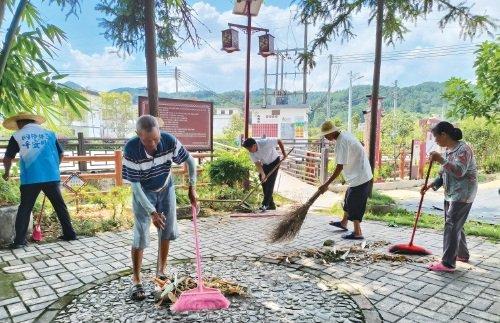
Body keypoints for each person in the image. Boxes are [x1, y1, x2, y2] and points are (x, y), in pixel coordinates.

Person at [123, 115, 197, 301]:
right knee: (140, 234)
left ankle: (161, 272)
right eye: (148, 141)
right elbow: (136, 188)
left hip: (166, 187)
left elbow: (190, 161)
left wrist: (192, 187)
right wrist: (152, 212)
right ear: (138, 135)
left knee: (167, 230)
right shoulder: (131, 149)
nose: (154, 145)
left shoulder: (169, 140)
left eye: (156, 139)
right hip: (143, 191)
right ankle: (136, 280)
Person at [2, 112, 77, 249]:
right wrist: (53, 168)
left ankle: (19, 241)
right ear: (34, 122)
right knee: (60, 206)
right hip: (51, 177)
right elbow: (61, 154)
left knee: (25, 208)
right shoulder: (50, 134)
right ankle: (70, 234)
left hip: (31, 178)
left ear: (20, 123)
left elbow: (8, 158)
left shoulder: (17, 136)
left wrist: (6, 172)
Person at [422, 121, 477, 272]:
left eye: (436, 137)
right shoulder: (447, 151)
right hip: (451, 193)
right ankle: (462, 255)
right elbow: (443, 173)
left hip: (463, 193)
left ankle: (447, 263)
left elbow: (459, 171)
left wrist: (440, 159)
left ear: (444, 134)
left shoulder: (463, 149)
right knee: (455, 224)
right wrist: (430, 185)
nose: (436, 141)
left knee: (451, 225)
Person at [318, 121, 373, 240]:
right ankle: (343, 223)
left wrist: (326, 184)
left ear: (333, 132)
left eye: (327, 134)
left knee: (354, 203)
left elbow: (339, 166)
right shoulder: (345, 135)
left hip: (360, 176)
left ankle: (358, 232)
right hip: (360, 174)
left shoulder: (341, 142)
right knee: (348, 197)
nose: (326, 137)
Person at [242, 137, 286, 212]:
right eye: (248, 149)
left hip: (275, 161)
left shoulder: (265, 143)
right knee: (263, 180)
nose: (249, 151)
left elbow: (279, 140)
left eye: (249, 149)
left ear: (254, 145)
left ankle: (265, 204)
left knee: (270, 182)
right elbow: (257, 164)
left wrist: (284, 153)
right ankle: (271, 205)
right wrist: (262, 174)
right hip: (265, 164)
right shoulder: (251, 152)